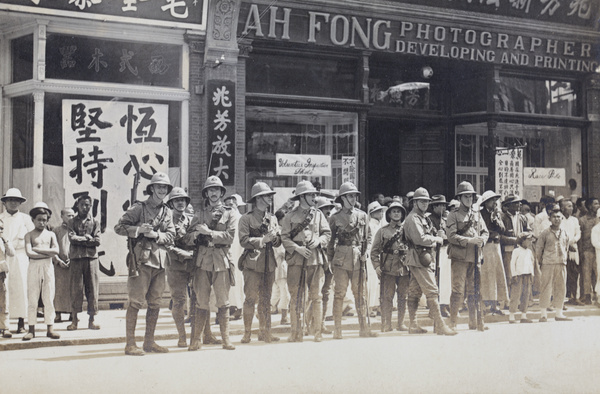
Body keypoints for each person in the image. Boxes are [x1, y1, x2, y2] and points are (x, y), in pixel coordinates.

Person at [115, 172, 175, 356]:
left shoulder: (167, 211)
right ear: (151, 189)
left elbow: (171, 235)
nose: (162, 190)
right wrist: (138, 230)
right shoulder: (139, 208)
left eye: (165, 187)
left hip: (159, 262)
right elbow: (119, 227)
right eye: (158, 187)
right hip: (141, 261)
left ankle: (149, 342)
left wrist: (156, 235)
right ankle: (130, 344)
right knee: (136, 302)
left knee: (155, 303)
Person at [185, 176, 236, 351]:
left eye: (216, 190)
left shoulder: (230, 213)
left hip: (221, 260)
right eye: (210, 190)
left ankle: (226, 339)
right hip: (203, 260)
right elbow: (187, 237)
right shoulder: (199, 214)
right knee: (201, 300)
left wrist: (210, 232)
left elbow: (230, 237)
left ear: (221, 193)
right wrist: (196, 236)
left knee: (223, 300)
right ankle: (197, 339)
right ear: (206, 193)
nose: (213, 193)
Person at [281, 180, 331, 342]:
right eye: (310, 195)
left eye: (314, 195)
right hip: (296, 259)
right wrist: (297, 248)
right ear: (302, 197)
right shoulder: (290, 216)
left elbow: (327, 233)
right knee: (295, 296)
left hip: (315, 260)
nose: (314, 198)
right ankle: (296, 332)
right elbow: (284, 237)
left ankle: (317, 332)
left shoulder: (318, 214)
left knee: (316, 296)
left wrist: (318, 241)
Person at [327, 182, 376, 339]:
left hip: (358, 257)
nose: (353, 198)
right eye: (350, 195)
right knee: (339, 294)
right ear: (343, 198)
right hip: (340, 258)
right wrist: (330, 260)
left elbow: (368, 236)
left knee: (360, 293)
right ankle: (337, 329)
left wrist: (366, 252)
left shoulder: (362, 215)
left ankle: (363, 328)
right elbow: (330, 240)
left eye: (355, 195)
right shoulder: (334, 218)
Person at [403, 187, 455, 335]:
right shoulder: (413, 219)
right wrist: (436, 239)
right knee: (432, 290)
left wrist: (437, 235)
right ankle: (439, 324)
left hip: (422, 257)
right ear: (415, 203)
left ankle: (413, 324)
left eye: (426, 201)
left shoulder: (423, 217)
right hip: (419, 257)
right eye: (422, 201)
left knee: (415, 291)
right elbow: (420, 238)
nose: (425, 204)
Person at [238, 182, 281, 344]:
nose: (269, 198)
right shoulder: (246, 219)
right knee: (250, 298)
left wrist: (276, 237)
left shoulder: (273, 218)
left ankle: (265, 332)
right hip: (252, 263)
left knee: (266, 299)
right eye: (266, 196)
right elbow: (243, 240)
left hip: (269, 263)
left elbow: (277, 242)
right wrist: (263, 239)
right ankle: (247, 332)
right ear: (257, 199)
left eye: (270, 195)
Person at [446, 182, 489, 331]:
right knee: (457, 290)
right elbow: (451, 236)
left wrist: (482, 240)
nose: (469, 199)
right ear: (460, 197)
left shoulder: (477, 214)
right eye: (466, 196)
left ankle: (475, 321)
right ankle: (453, 322)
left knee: (475, 290)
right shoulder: (453, 214)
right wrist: (469, 241)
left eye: (471, 196)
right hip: (460, 257)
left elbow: (485, 232)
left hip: (475, 256)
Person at [164, 187, 197, 348]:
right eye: (177, 200)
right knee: (179, 301)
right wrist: (184, 254)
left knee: (197, 299)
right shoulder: (166, 221)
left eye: (183, 200)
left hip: (192, 265)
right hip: (175, 265)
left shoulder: (191, 219)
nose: (180, 203)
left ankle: (197, 336)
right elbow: (167, 245)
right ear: (171, 203)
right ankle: (182, 336)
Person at [23, 202, 60, 341]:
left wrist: (38, 249)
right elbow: (29, 253)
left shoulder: (51, 235)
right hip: (33, 267)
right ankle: (31, 329)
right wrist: (47, 253)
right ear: (33, 220)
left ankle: (50, 328)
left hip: (48, 267)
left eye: (44, 220)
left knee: (49, 297)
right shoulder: (29, 235)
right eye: (39, 219)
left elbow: (56, 251)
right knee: (32, 298)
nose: (42, 222)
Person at [370, 201, 409, 332]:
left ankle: (401, 323)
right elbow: (374, 251)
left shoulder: (407, 230)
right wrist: (376, 267)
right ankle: (387, 323)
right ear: (389, 214)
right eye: (394, 211)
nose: (396, 214)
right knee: (387, 297)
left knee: (403, 296)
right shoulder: (382, 231)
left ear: (402, 214)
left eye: (399, 211)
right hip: (388, 268)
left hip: (404, 267)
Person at [0, 188, 34, 334]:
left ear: (20, 203)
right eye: (10, 200)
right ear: (5, 203)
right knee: (4, 289)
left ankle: (21, 322)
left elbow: (32, 236)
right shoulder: (0, 218)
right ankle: (4, 324)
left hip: (20, 257)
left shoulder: (25, 219)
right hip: (3, 256)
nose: (13, 203)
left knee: (21, 288)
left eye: (16, 200)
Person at [67, 195, 101, 331]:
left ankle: (91, 320)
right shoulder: (71, 221)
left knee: (92, 289)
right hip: (76, 258)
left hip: (91, 258)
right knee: (76, 289)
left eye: (88, 205)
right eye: (82, 205)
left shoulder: (95, 222)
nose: (85, 207)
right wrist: (86, 238)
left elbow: (98, 240)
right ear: (78, 205)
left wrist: (85, 239)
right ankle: (74, 320)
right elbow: (71, 237)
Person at [536, 205, 571, 322]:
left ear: (562, 219)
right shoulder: (544, 233)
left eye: (559, 217)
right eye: (554, 217)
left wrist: (563, 259)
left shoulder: (565, 233)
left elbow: (566, 247)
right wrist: (540, 263)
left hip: (561, 263)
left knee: (561, 288)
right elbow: (539, 250)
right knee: (546, 287)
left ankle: (559, 313)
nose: (556, 219)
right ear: (550, 219)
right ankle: (543, 314)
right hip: (548, 263)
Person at [479, 191, 509, 315]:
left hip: (495, 246)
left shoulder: (497, 214)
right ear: (486, 202)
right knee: (487, 275)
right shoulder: (481, 214)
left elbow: (502, 230)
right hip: (486, 245)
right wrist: (491, 232)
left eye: (495, 200)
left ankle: (495, 304)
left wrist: (496, 219)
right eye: (492, 200)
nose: (494, 203)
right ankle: (486, 304)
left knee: (497, 274)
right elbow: (482, 229)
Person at [500, 194, 529, 294]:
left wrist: (525, 235)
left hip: (520, 250)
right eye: (516, 203)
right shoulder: (502, 218)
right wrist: (514, 240)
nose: (519, 204)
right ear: (509, 205)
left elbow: (529, 231)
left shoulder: (522, 218)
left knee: (520, 273)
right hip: (508, 250)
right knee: (509, 274)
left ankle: (517, 299)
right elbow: (500, 237)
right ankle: (508, 300)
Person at [224, 193, 246, 321]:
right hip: (228, 252)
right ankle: (232, 306)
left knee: (238, 279)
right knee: (229, 279)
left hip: (238, 253)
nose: (230, 206)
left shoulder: (241, 219)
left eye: (232, 204)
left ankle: (239, 308)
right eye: (227, 204)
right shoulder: (226, 218)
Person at [428, 195, 450, 316]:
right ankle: (434, 308)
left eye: (444, 205)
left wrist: (445, 236)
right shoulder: (429, 220)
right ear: (434, 206)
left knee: (445, 279)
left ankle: (444, 305)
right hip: (434, 251)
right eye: (440, 205)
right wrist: (437, 235)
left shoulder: (445, 220)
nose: (443, 207)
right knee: (435, 279)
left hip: (444, 251)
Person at [52, 208, 74, 324]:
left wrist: (73, 259)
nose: (71, 218)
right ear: (62, 216)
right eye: (68, 215)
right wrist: (58, 260)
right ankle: (58, 314)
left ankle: (72, 314)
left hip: (73, 264)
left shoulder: (76, 230)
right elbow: (52, 248)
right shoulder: (56, 231)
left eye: (72, 215)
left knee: (73, 288)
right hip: (59, 265)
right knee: (59, 289)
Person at [508, 233, 535, 324]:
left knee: (526, 295)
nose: (530, 242)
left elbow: (531, 263)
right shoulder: (516, 251)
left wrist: (532, 274)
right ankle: (512, 316)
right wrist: (514, 274)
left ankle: (523, 315)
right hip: (518, 276)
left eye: (531, 240)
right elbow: (512, 263)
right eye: (528, 240)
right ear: (522, 241)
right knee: (515, 295)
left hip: (527, 275)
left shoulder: (529, 252)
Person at [560, 199, 582, 306]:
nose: (571, 208)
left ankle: (574, 297)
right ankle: (561, 300)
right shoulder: (559, 219)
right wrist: (568, 244)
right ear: (562, 208)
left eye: (571, 206)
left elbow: (578, 233)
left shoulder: (574, 220)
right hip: (562, 249)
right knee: (563, 274)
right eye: (568, 206)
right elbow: (560, 235)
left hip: (574, 248)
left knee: (574, 273)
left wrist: (573, 241)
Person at [578, 197, 599, 305]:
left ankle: (597, 295)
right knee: (586, 274)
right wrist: (581, 252)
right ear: (589, 206)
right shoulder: (582, 220)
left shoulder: (598, 219)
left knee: (598, 274)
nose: (598, 206)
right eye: (595, 204)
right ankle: (587, 296)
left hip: (598, 251)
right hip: (587, 250)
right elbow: (580, 238)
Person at [367, 201, 385, 319]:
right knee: (372, 281)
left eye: (381, 211)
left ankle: (379, 305)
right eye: (378, 211)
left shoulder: (381, 225)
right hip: (371, 255)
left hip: (381, 255)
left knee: (380, 281)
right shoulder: (369, 225)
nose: (381, 213)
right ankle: (370, 306)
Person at [0, 219, 13, 338]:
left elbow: (11, 253)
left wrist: (7, 242)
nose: (0, 231)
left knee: (4, 301)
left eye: (1, 228)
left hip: (1, 273)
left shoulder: (3, 240)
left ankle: (5, 327)